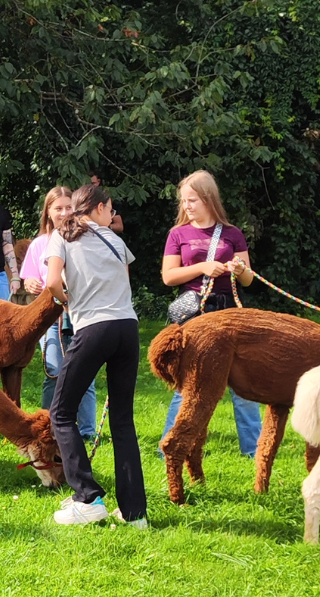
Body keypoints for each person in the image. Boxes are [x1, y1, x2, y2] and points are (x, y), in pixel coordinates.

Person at [43, 183, 147, 527]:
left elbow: (52, 283)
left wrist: (68, 302)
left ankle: (87, 498)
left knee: (60, 413)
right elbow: (124, 284)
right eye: (111, 209)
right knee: (123, 420)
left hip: (93, 328)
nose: (112, 214)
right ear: (99, 209)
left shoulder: (62, 236)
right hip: (127, 328)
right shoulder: (115, 240)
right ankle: (135, 514)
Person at [160, 171, 262, 459]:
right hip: (196, 314)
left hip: (229, 312)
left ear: (208, 199)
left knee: (243, 380)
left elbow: (248, 280)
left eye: (192, 200)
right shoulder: (178, 234)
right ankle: (172, 447)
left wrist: (240, 270)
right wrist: (202, 268)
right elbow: (169, 276)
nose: (186, 206)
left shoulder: (232, 233)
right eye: (183, 200)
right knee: (190, 382)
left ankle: (254, 450)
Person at [21, 185, 98, 444]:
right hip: (50, 318)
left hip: (80, 313)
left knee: (85, 371)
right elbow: (30, 277)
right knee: (53, 371)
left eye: (68, 207)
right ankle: (47, 426)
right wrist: (30, 283)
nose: (64, 213)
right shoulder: (40, 244)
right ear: (48, 212)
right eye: (58, 208)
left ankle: (87, 430)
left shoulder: (84, 239)